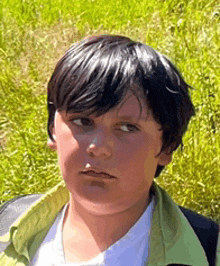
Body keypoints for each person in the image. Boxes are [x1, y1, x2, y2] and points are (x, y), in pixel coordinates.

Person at [0, 34, 219, 266]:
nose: (98, 147)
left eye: (127, 128)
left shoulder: (209, 250)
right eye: (82, 121)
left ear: (167, 145)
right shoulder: (7, 226)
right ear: (53, 129)